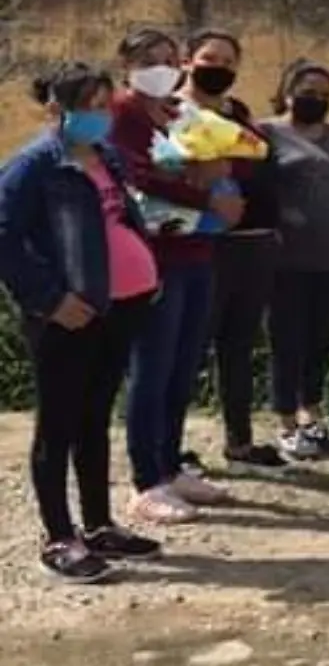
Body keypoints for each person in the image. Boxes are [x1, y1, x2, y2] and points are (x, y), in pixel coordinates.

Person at [0, 63, 163, 582]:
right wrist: (48, 299)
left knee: (95, 418)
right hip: (68, 315)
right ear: (56, 109)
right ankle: (58, 537)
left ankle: (97, 525)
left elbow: (120, 218)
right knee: (59, 423)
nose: (98, 115)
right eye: (86, 105)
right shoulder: (34, 165)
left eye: (102, 104)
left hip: (117, 307)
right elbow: (5, 238)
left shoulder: (106, 155)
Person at [111, 30, 238, 522]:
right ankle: (146, 479)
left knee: (184, 364)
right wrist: (207, 197)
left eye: (168, 59)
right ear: (127, 65)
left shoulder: (180, 113)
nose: (160, 67)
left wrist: (218, 185)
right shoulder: (123, 113)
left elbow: (218, 162)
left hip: (196, 249)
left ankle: (170, 461)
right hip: (151, 256)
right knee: (152, 365)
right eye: (148, 60)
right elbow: (137, 175)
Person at [182, 29, 288, 470]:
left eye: (228, 62)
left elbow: (257, 161)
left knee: (239, 347)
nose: (219, 68)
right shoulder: (172, 112)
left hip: (253, 243)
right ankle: (168, 450)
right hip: (202, 246)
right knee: (188, 348)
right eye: (210, 58)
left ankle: (239, 442)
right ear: (188, 61)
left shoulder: (237, 113)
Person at [261, 60, 329, 459]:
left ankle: (311, 415)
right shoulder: (268, 133)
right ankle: (285, 422)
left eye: (323, 93)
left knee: (320, 339)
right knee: (288, 339)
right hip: (288, 258)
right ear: (287, 91)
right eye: (308, 90)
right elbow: (258, 189)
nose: (315, 99)